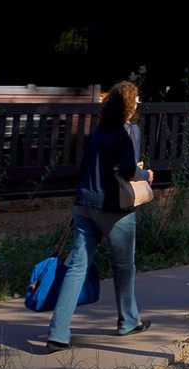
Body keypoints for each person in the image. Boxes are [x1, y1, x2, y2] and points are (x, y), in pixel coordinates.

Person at [45, 80, 150, 351]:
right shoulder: (130, 130)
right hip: (114, 208)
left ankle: (58, 332)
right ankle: (127, 320)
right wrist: (145, 175)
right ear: (130, 106)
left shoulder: (99, 130)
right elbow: (128, 169)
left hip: (84, 203)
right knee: (124, 267)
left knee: (77, 267)